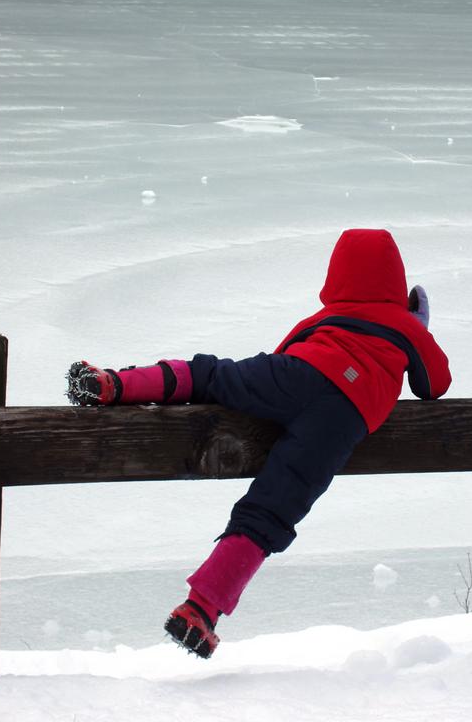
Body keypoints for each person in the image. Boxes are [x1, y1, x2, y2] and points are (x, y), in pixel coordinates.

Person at [66, 228, 451, 659]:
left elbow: (287, 349)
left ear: (337, 276)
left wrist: (275, 390)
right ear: (396, 281)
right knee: (272, 507)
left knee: (209, 375)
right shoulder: (403, 325)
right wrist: (416, 328)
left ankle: (114, 384)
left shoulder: (323, 320)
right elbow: (434, 384)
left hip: (295, 373)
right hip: (343, 416)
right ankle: (201, 609)